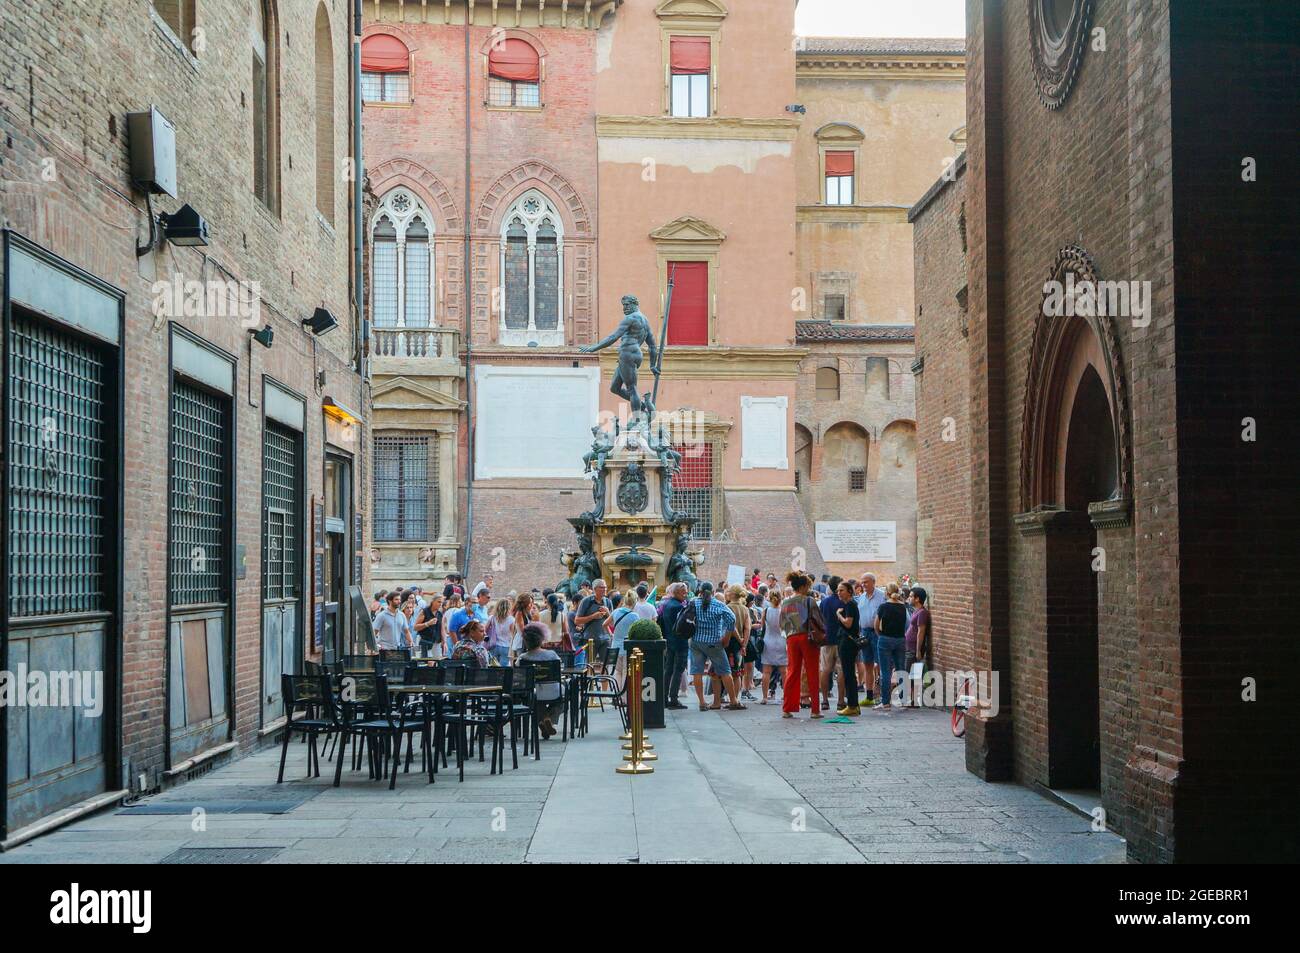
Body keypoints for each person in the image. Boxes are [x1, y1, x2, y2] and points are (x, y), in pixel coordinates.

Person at [688, 581, 743, 711]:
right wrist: (727, 637)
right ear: (713, 592)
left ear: (700, 592)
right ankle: (734, 700)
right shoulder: (718, 604)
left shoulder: (694, 602)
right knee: (725, 671)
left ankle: (702, 702)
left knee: (697, 672)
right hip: (714, 643)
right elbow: (731, 618)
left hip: (696, 642)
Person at [779, 572, 823, 719]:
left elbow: (782, 624)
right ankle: (815, 710)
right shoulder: (809, 601)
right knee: (812, 672)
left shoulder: (785, 602)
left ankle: (787, 708)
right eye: (808, 586)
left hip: (791, 638)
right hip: (807, 637)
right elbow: (818, 620)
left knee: (792, 672)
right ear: (803, 586)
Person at [516, 622, 564, 739]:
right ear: (542, 638)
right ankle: (549, 719)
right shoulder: (552, 655)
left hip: (531, 692)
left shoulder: (522, 658)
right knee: (565, 696)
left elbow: (518, 674)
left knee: (534, 701)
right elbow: (560, 670)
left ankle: (543, 720)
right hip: (553, 691)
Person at [874, 583, 908, 710]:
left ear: (886, 593)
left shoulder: (883, 606)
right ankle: (904, 700)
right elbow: (906, 624)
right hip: (900, 639)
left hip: (885, 639)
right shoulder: (903, 607)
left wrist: (880, 636)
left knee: (885, 671)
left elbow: (876, 625)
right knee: (901, 670)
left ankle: (886, 702)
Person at [855, 573, 886, 707]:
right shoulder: (861, 598)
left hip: (878, 632)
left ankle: (880, 695)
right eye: (862, 582)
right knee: (867, 663)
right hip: (865, 632)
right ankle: (869, 695)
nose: (863, 585)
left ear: (873, 582)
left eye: (866, 582)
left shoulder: (882, 597)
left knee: (880, 664)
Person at [658, 582, 690, 710]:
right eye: (684, 592)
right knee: (678, 670)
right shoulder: (678, 607)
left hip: (669, 641)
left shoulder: (666, 604)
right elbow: (683, 626)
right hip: (679, 642)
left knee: (668, 670)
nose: (686, 594)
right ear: (677, 593)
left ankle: (664, 698)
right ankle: (674, 698)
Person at [833, 581, 863, 716]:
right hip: (845, 641)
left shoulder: (850, 604)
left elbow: (848, 623)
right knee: (848, 673)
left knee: (849, 673)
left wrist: (838, 615)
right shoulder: (848, 604)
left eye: (842, 590)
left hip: (848, 643)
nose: (839, 593)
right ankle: (852, 704)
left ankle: (852, 705)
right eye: (838, 591)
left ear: (849, 591)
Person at [574, 579, 613, 668]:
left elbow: (612, 623)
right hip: (590, 640)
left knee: (605, 667)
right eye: (602, 587)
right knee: (589, 666)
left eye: (605, 587)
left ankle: (604, 681)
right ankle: (590, 681)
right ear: (595, 589)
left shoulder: (608, 602)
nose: (604, 589)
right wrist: (592, 616)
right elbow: (577, 620)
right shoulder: (586, 601)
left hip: (605, 639)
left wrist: (608, 613)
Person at [818, 575, 844, 711]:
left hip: (827, 638)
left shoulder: (825, 602)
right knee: (841, 670)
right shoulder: (843, 601)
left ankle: (824, 701)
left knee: (825, 670)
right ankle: (840, 701)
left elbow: (821, 618)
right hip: (841, 640)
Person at [759, 586, 786, 704]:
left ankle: (765, 697)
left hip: (768, 641)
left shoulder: (765, 610)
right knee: (784, 672)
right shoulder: (784, 611)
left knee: (766, 672)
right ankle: (786, 696)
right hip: (781, 641)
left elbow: (762, 626)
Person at [904, 587, 930, 707]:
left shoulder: (922, 613)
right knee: (910, 673)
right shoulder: (915, 611)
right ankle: (912, 700)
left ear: (917, 598)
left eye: (911, 596)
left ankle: (913, 700)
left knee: (913, 674)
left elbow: (921, 631)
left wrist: (918, 650)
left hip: (914, 648)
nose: (909, 598)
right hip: (909, 646)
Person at [610, 588, 641, 685]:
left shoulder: (616, 612)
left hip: (615, 646)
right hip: (627, 647)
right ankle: (624, 697)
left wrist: (612, 633)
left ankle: (617, 695)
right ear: (635, 602)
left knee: (617, 671)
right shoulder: (635, 616)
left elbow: (605, 624)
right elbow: (638, 631)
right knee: (626, 671)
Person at [485, 598, 515, 668]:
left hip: (493, 645)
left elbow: (484, 630)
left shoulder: (492, 618)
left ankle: (493, 678)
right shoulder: (511, 620)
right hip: (506, 646)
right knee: (503, 669)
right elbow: (513, 635)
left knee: (493, 666)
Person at [413, 592, 444, 659]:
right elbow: (415, 627)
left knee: (437, 662)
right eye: (439, 602)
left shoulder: (439, 614)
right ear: (433, 601)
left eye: (441, 602)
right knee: (426, 662)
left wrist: (444, 642)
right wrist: (427, 624)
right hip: (425, 641)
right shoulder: (425, 612)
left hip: (436, 642)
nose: (440, 604)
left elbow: (442, 629)